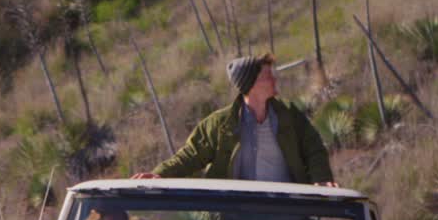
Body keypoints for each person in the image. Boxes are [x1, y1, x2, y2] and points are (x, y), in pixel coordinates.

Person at [132, 54, 336, 186]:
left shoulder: (290, 117)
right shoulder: (219, 124)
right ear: (251, 84)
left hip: (289, 215)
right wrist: (159, 175)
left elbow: (314, 149)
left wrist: (322, 179)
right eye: (268, 77)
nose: (275, 80)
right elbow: (189, 157)